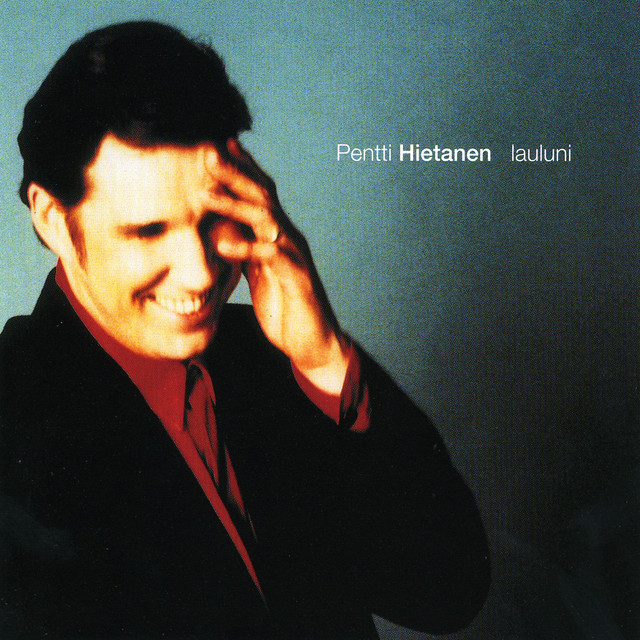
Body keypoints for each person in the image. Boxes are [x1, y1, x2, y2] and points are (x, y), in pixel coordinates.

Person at [0, 21, 490, 639]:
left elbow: (446, 594)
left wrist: (323, 361)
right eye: (148, 230)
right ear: (52, 219)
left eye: (216, 218)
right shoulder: (14, 424)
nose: (201, 272)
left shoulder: (277, 358)